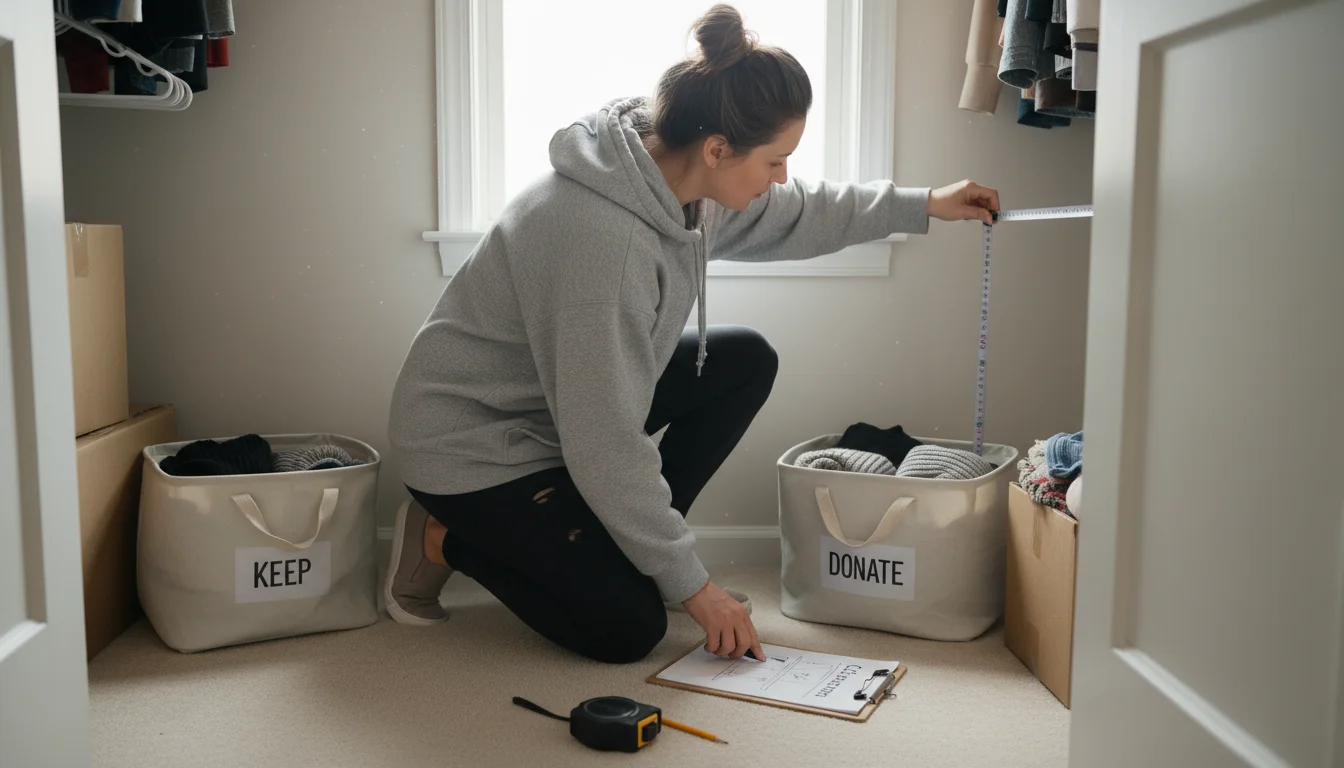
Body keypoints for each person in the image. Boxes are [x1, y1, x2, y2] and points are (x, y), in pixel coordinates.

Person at [384, 4, 1000, 664]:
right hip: (474, 442)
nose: (781, 176)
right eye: (775, 160)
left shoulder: (680, 184)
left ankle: (630, 549)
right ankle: (439, 537)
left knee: (743, 361)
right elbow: (605, 441)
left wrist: (924, 204)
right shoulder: (602, 244)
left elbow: (797, 212)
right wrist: (695, 587)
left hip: (561, 412)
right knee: (626, 631)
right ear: (717, 149)